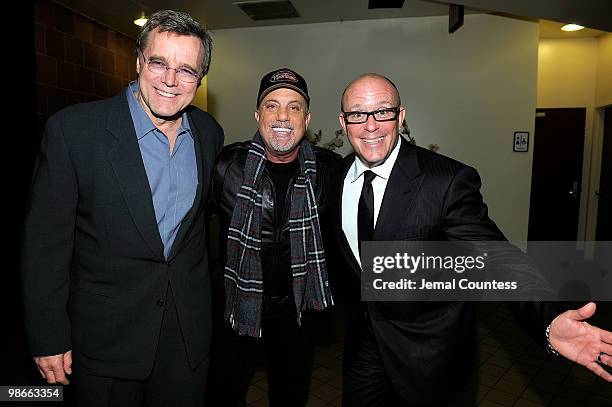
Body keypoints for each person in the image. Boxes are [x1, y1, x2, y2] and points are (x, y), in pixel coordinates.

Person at [329, 73, 612, 406]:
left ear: (401, 116)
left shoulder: (445, 180)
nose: (370, 125)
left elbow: (498, 257)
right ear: (343, 122)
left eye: (383, 112)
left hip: (428, 355)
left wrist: (548, 318)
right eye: (358, 114)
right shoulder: (336, 176)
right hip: (364, 346)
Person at [21, 10, 223, 406]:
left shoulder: (208, 134)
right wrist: (48, 337)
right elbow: (45, 247)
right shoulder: (73, 132)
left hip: (186, 341)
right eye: (159, 62)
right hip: (105, 343)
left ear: (200, 79)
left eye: (186, 70)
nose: (169, 80)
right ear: (138, 61)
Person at [206, 68, 339, 406]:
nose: (283, 116)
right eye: (271, 105)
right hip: (236, 305)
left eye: (294, 107)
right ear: (257, 115)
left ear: (306, 119)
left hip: (296, 311)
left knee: (290, 396)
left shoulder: (329, 171)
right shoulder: (225, 166)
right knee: (222, 393)